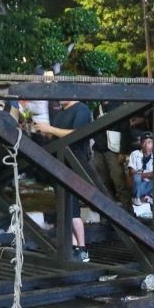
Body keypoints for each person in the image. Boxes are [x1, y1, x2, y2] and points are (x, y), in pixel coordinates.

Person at [35, 99, 94, 261]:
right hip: (59, 164)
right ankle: (73, 245)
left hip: (74, 164)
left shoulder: (81, 109)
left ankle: (82, 248)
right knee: (64, 208)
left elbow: (77, 134)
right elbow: (57, 134)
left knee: (73, 209)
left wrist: (50, 128)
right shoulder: (61, 112)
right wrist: (44, 132)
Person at [127, 132, 154, 205]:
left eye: (149, 142)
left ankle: (149, 196)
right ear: (141, 144)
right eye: (144, 142)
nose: (146, 145)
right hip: (138, 185)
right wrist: (147, 174)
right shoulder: (135, 154)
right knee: (136, 178)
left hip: (148, 185)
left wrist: (141, 174)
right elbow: (132, 173)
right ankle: (136, 198)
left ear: (153, 144)